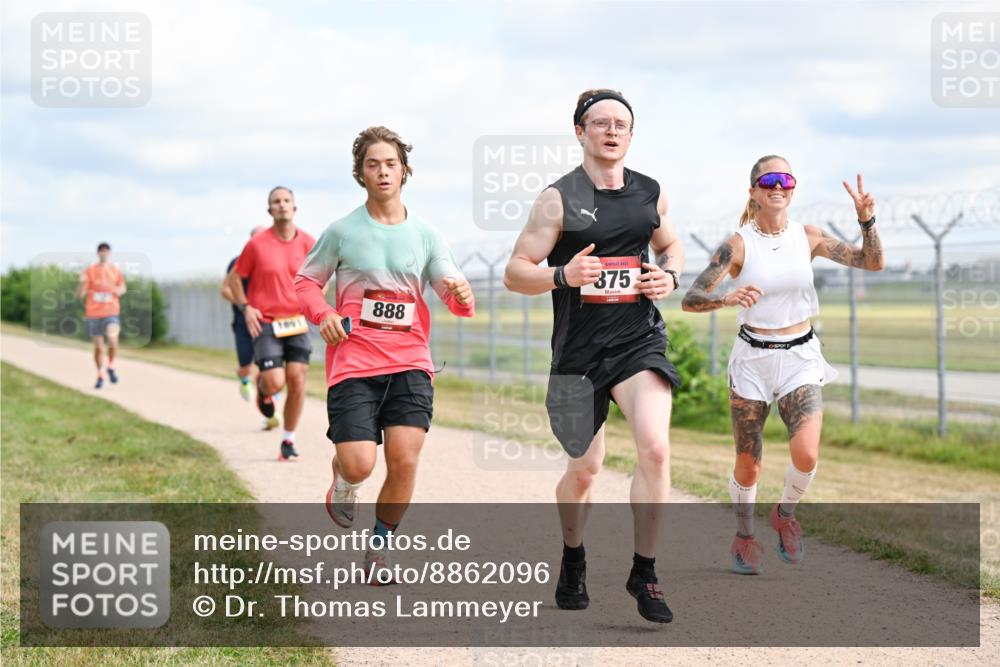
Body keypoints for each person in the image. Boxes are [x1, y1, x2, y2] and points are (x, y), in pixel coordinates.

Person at [503, 89, 685, 624]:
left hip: (638, 341)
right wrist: (562, 274)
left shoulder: (650, 192)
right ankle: (573, 555)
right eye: (599, 123)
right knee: (585, 469)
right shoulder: (557, 199)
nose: (611, 131)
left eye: (620, 124)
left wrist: (669, 276)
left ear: (631, 134)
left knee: (655, 449)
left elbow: (670, 245)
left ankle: (644, 571)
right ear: (579, 132)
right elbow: (516, 271)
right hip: (578, 353)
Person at [681, 156, 884, 574]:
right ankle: (744, 535)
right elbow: (691, 298)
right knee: (748, 463)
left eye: (786, 180)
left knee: (806, 454)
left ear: (793, 189)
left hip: (800, 356)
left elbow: (872, 261)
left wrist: (867, 220)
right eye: (769, 179)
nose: (778, 186)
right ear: (753, 191)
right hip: (752, 360)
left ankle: (785, 514)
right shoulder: (737, 245)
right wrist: (727, 298)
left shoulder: (807, 236)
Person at [295, 126, 474, 583]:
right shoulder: (342, 232)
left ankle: (379, 547)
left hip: (410, 361)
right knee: (360, 463)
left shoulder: (426, 234)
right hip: (354, 362)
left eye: (390, 163)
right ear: (361, 173)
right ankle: (344, 476)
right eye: (372, 164)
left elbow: (451, 292)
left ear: (404, 170)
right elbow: (306, 283)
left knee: (405, 460)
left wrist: (462, 296)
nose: (382, 172)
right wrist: (323, 314)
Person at [225, 187, 316, 460]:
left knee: (297, 378)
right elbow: (234, 279)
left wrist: (312, 303)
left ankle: (288, 440)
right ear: (270, 210)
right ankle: (264, 389)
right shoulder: (256, 244)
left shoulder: (309, 243)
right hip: (265, 322)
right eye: (276, 202)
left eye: (287, 201)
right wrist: (246, 307)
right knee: (275, 382)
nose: (282, 205)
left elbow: (320, 278)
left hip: (297, 321)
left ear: (294, 208)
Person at [221, 225, 267, 408]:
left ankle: (268, 401)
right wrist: (245, 306)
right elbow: (225, 289)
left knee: (268, 365)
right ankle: (244, 379)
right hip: (243, 321)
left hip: (267, 321)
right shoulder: (238, 262)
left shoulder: (273, 261)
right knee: (246, 364)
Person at [76, 242, 126, 389]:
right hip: (94, 314)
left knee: (112, 339)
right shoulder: (90, 270)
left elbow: (123, 287)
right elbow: (79, 295)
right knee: (98, 347)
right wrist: (81, 284)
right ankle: (100, 374)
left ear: (109, 253)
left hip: (111, 312)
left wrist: (118, 291)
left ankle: (111, 366)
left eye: (106, 250)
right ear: (98, 253)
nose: (104, 253)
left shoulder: (115, 270)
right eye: (101, 250)